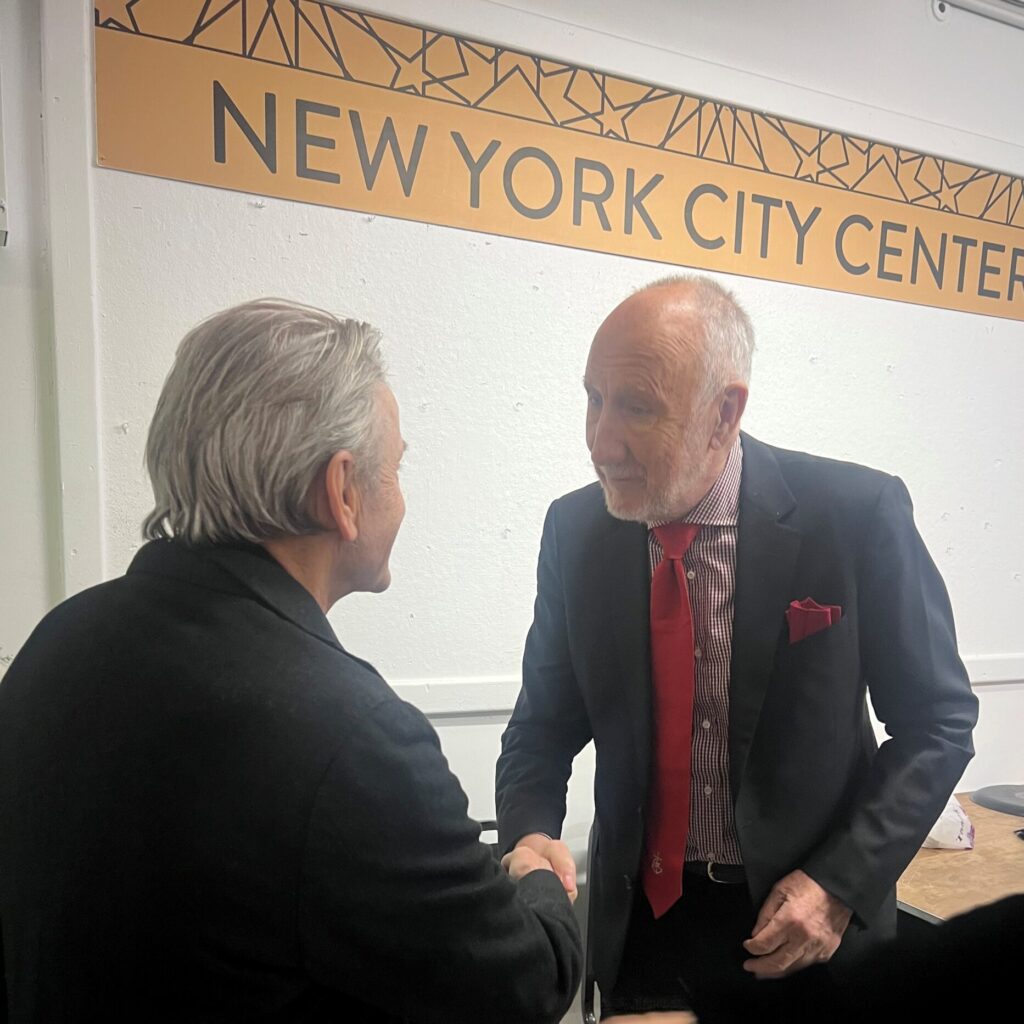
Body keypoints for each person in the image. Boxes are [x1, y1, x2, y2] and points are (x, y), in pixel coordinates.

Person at [0, 299, 581, 1023]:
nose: (400, 498)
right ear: (342, 491)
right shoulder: (348, 734)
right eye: (394, 469)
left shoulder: (59, 640)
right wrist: (535, 880)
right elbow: (520, 989)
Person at [495, 275, 979, 1022]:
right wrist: (529, 833)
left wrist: (839, 884)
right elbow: (542, 724)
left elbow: (938, 721)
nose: (601, 442)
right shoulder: (576, 532)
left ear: (725, 413)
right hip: (640, 932)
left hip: (804, 928)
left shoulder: (853, 515)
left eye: (637, 407)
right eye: (593, 398)